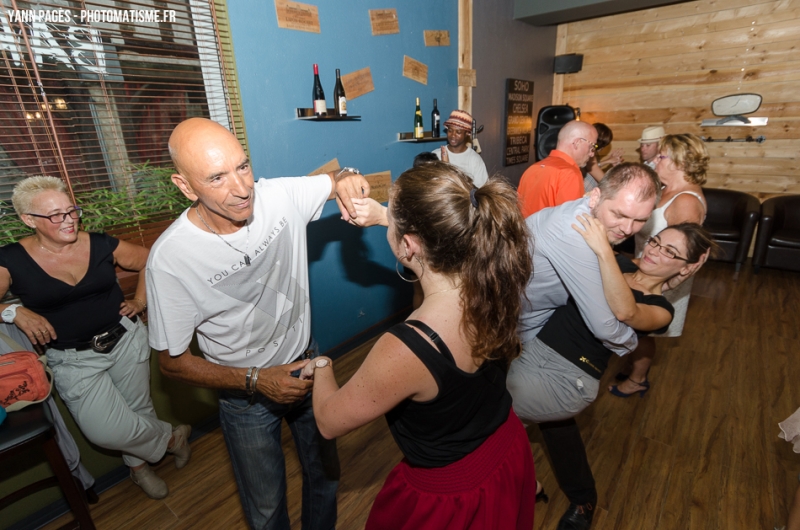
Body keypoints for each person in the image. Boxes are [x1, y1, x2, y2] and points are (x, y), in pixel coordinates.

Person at [147, 117, 369, 529]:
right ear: (185, 187)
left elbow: (337, 177)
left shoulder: (278, 196)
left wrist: (349, 178)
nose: (242, 188)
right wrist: (257, 380)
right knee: (266, 510)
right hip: (245, 397)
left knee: (325, 477)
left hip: (308, 366)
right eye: (217, 178)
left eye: (243, 167)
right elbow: (172, 363)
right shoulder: (171, 259)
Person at [308, 162, 536, 529]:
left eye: (392, 216)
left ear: (410, 244)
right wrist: (386, 218)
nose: (387, 220)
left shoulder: (406, 348)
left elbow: (328, 422)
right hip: (505, 447)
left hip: (454, 495)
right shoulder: (495, 285)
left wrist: (321, 364)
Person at [0, 176, 190, 500]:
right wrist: (11, 311)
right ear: (28, 219)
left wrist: (140, 301)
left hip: (126, 339)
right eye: (55, 215)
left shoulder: (100, 244)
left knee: (138, 409)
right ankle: (172, 438)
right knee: (103, 430)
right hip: (72, 358)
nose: (69, 220)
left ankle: (139, 468)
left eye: (71, 211)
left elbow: (150, 260)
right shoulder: (10, 260)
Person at [510, 163, 661, 530]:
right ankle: (541, 487)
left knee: (530, 418)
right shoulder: (573, 232)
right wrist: (634, 341)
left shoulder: (588, 220)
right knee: (495, 417)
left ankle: (572, 495)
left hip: (531, 327)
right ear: (595, 197)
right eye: (620, 214)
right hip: (509, 326)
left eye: (640, 220)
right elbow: (606, 325)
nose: (628, 228)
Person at [613, 133, 708, 397]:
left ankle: (638, 379)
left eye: (661, 156)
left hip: (661, 276)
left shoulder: (686, 201)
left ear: (680, 162)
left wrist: (664, 284)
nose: (655, 160)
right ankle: (632, 366)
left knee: (644, 332)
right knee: (635, 328)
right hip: (645, 266)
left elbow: (681, 254)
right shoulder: (668, 190)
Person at [517, 120, 598, 217]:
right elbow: (570, 220)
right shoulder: (570, 174)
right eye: (592, 146)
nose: (592, 154)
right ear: (577, 143)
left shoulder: (531, 169)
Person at [432, 110, 489, 187]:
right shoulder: (436, 155)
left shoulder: (475, 160)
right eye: (450, 130)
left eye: (458, 132)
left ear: (467, 133)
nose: (453, 135)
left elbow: (482, 191)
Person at [583, 123, 624, 193]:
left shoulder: (587, 149)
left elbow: (593, 166)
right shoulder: (589, 151)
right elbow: (604, 181)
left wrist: (609, 162)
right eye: (604, 145)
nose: (603, 148)